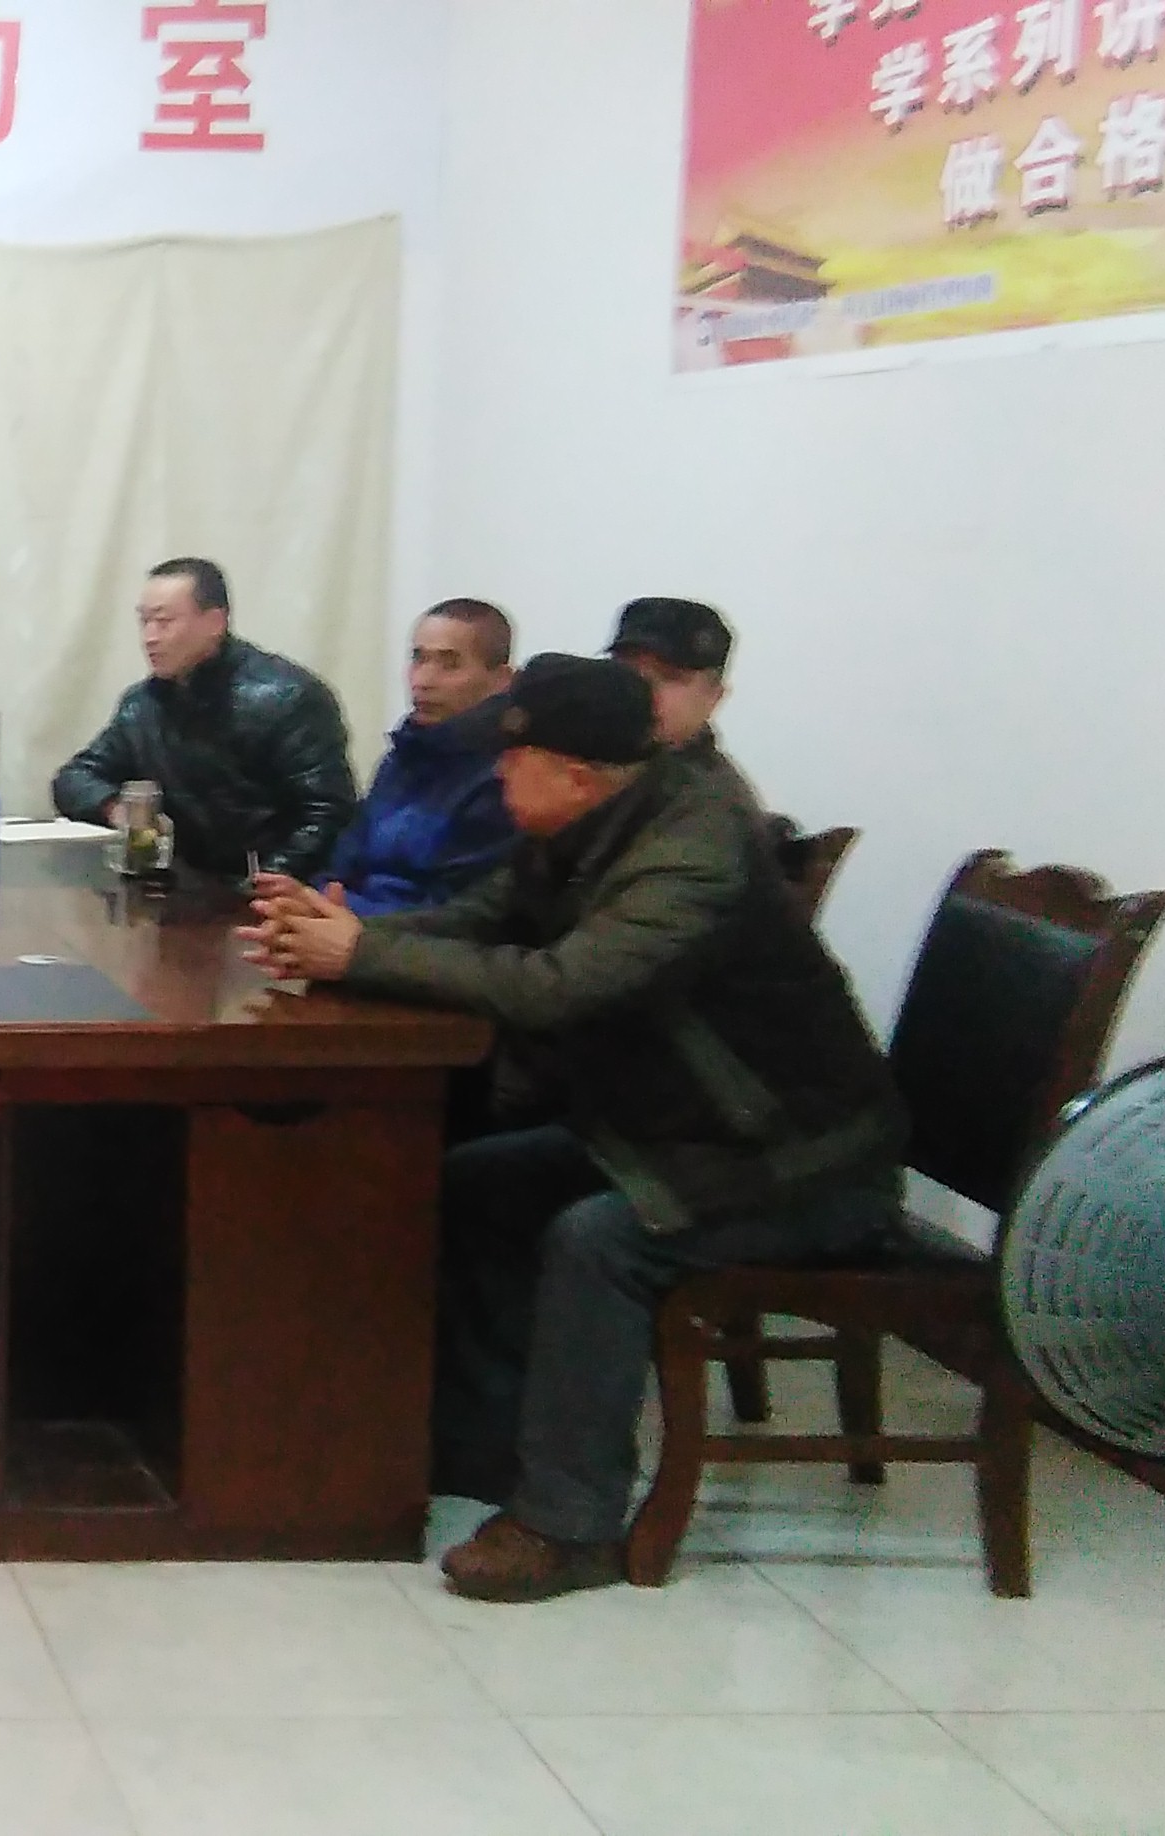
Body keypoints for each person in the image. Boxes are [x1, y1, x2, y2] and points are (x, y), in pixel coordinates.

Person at [240, 657, 905, 1604]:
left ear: (578, 776)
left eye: (513, 764)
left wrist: (364, 954)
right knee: (474, 1187)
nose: (496, 776)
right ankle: (482, 1450)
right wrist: (347, 940)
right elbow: (482, 920)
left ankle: (569, 1525)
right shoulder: (586, 826)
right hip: (677, 1133)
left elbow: (562, 986)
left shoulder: (691, 853)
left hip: (797, 1160)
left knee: (596, 1242)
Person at [50, 557, 358, 880]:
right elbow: (74, 777)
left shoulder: (288, 698)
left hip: (268, 890)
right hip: (175, 884)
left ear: (215, 622)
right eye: (144, 622)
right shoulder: (144, 704)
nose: (149, 637)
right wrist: (118, 808)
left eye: (164, 622)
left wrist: (263, 885)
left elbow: (329, 814)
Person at [323, 598, 520, 915]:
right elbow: (343, 863)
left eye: (449, 664)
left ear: (501, 680)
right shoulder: (403, 756)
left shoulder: (505, 775)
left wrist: (344, 916)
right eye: (418, 659)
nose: (423, 681)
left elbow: (458, 912)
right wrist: (307, 900)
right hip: (349, 924)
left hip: (411, 937)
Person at [606, 596, 756, 809]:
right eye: (627, 669)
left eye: (669, 677)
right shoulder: (572, 752)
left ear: (713, 698)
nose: (641, 687)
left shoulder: (709, 804)